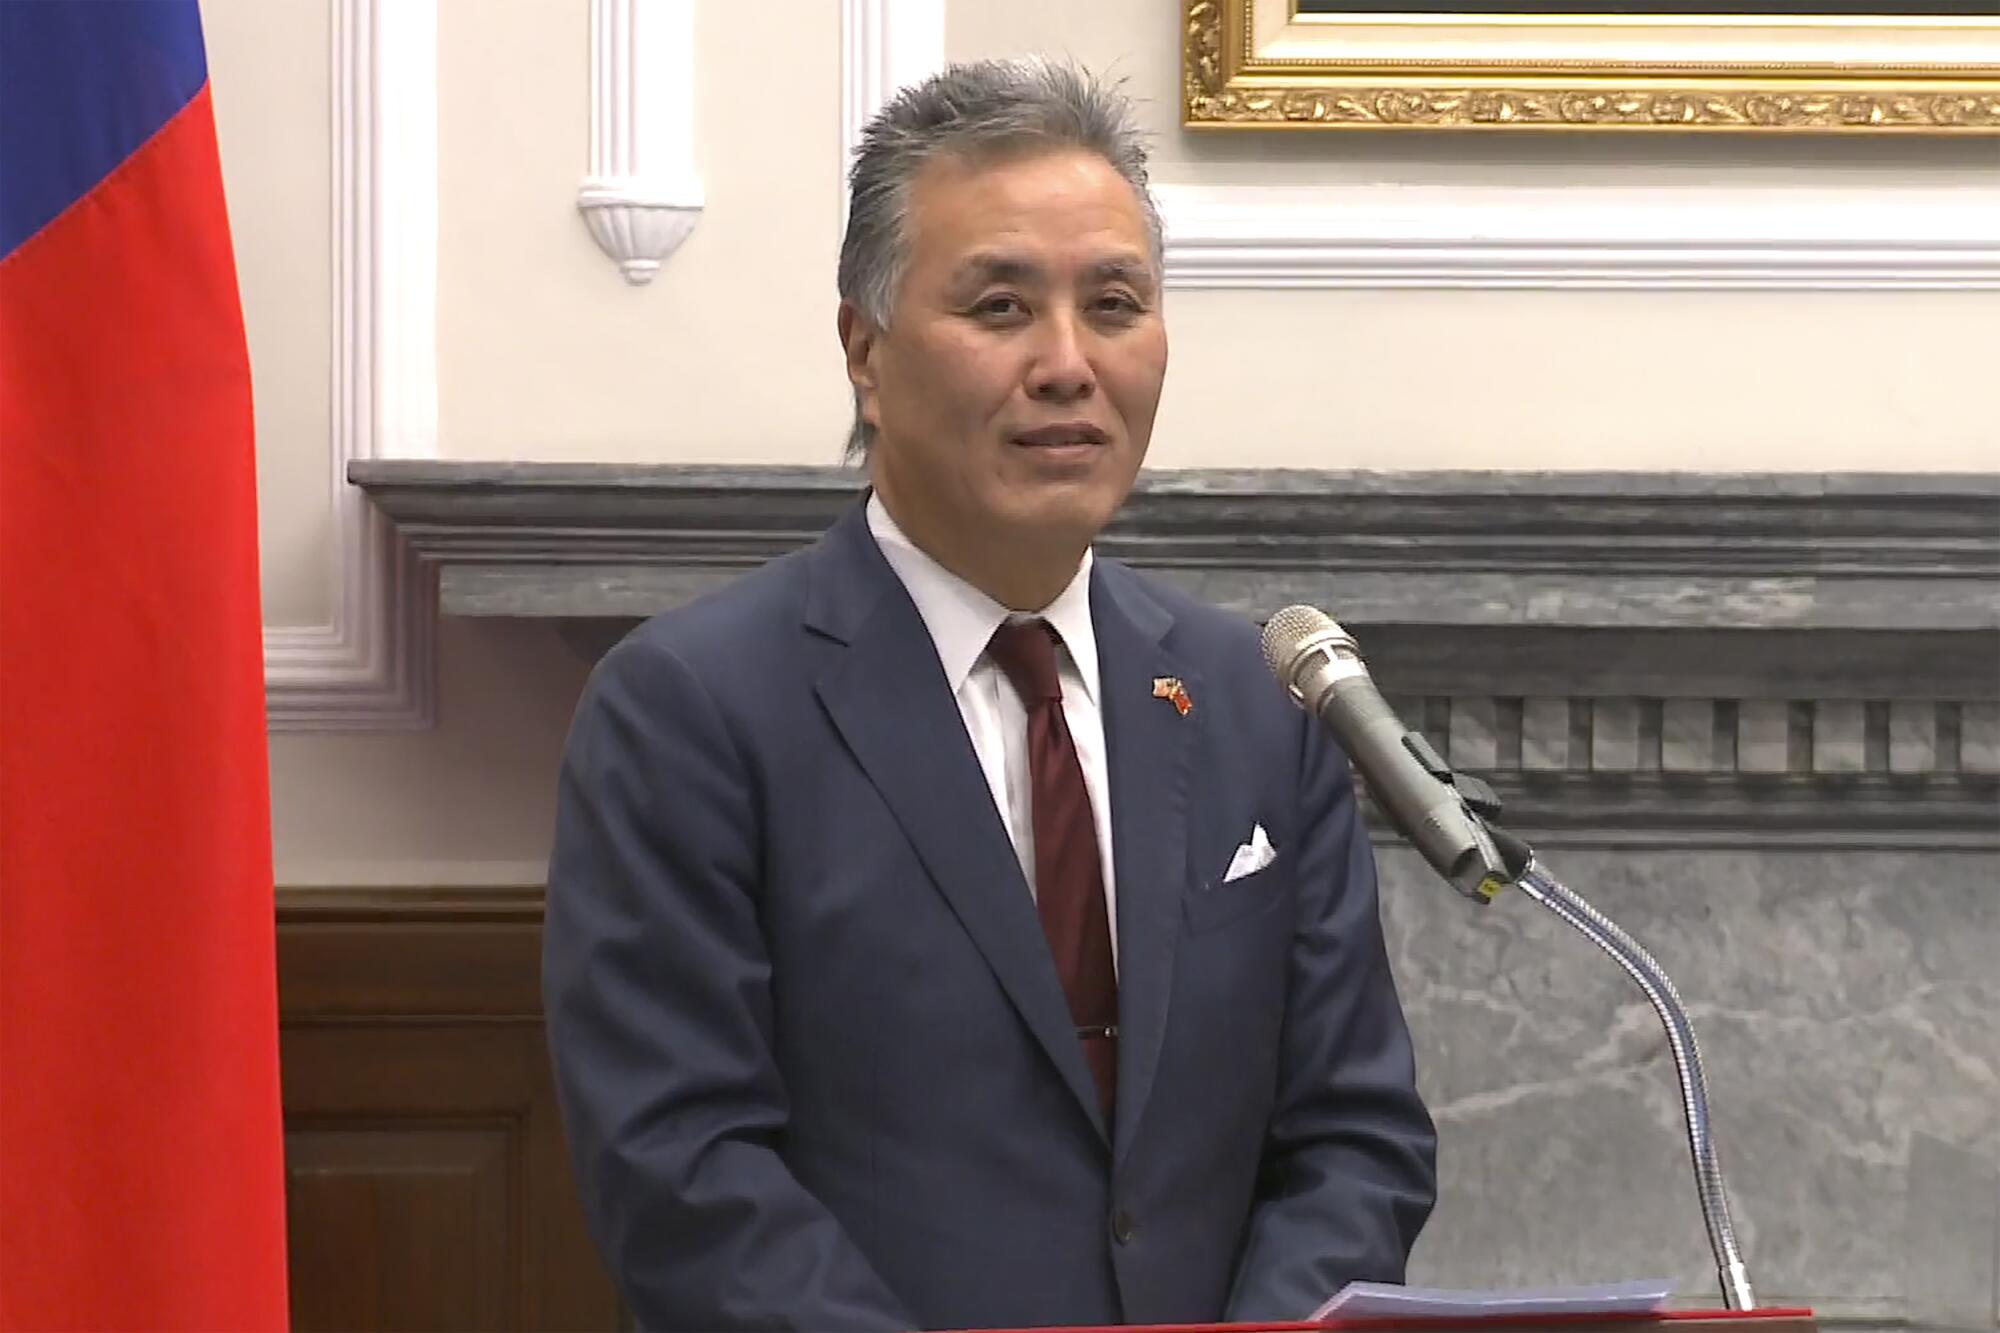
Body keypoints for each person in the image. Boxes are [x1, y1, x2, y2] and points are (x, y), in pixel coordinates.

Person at [542, 57, 1437, 1332]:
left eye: (1113, 303)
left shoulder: (1251, 698)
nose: (1067, 364)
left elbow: (1353, 1139)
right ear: (864, 351)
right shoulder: (688, 709)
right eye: (1001, 306)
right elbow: (682, 1177)